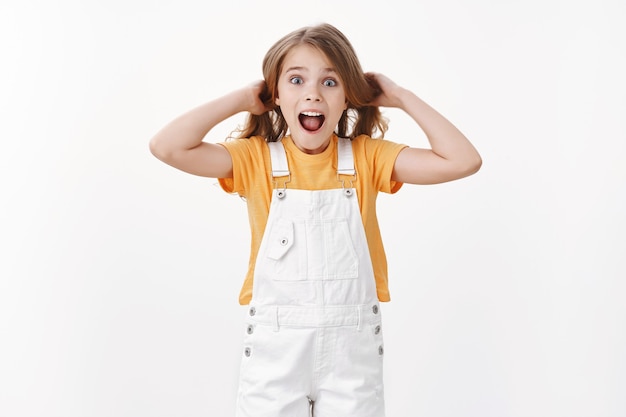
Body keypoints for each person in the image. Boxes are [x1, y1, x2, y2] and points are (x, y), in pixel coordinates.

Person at [150, 22, 481, 417]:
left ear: (347, 99)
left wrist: (400, 96)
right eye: (295, 80)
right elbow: (166, 147)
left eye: (330, 82)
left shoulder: (366, 158)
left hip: (350, 350)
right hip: (277, 347)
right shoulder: (254, 159)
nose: (312, 92)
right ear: (275, 95)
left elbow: (464, 160)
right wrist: (242, 99)